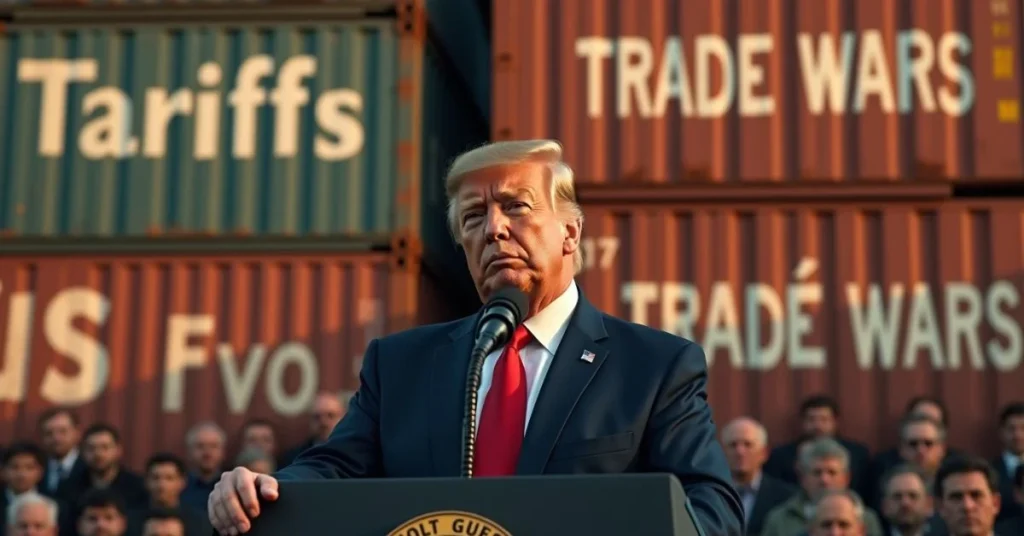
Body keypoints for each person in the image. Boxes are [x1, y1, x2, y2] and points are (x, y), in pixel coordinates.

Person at [206, 139, 744, 535]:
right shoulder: (400, 365)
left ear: (570, 232)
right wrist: (262, 489)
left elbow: (712, 509)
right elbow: (335, 469)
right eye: (472, 217)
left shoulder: (654, 366)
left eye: (516, 206)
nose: (493, 228)